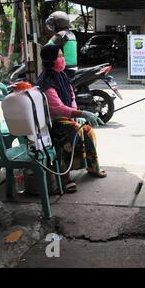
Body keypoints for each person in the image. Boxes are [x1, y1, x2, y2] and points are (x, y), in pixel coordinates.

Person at [36, 44, 107, 193]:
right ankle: (65, 177)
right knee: (71, 132)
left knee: (87, 130)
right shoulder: (46, 81)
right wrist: (80, 114)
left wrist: (75, 113)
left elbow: (71, 95)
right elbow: (57, 108)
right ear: (51, 60)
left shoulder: (61, 75)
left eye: (62, 55)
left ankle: (93, 167)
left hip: (66, 118)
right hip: (52, 122)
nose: (62, 59)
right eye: (59, 56)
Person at [45, 11, 78, 76]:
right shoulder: (71, 34)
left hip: (63, 69)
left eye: (53, 22)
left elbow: (47, 47)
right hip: (74, 68)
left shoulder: (60, 34)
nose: (52, 25)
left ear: (58, 23)